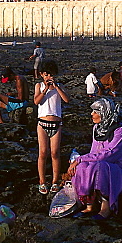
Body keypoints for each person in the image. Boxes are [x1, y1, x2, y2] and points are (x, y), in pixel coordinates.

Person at [67, 97, 122, 220]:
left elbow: (109, 154)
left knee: (101, 166)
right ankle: (89, 204)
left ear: (104, 113)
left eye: (95, 112)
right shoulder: (97, 129)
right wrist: (78, 162)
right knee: (84, 166)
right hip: (101, 166)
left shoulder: (121, 131)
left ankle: (106, 208)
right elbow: (93, 152)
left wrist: (80, 158)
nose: (92, 114)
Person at [34, 59, 70, 195]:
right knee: (43, 153)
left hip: (56, 124)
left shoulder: (58, 86)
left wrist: (56, 87)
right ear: (42, 74)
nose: (50, 77)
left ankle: (55, 181)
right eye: (47, 75)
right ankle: (42, 181)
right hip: (42, 123)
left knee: (55, 153)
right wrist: (45, 90)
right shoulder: (39, 86)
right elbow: (36, 101)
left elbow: (66, 99)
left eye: (52, 75)